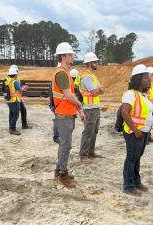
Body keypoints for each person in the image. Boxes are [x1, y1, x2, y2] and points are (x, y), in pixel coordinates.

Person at [52, 42, 85, 188]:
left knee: (64, 145)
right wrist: (80, 106)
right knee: (66, 145)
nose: (73, 57)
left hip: (66, 114)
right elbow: (69, 96)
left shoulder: (64, 73)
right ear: (63, 56)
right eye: (70, 54)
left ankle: (59, 170)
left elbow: (69, 95)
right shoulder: (61, 74)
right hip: (64, 115)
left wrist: (77, 109)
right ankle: (63, 174)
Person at [121, 64, 153, 196]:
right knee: (132, 158)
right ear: (138, 79)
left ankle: (136, 181)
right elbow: (125, 113)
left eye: (149, 77)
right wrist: (135, 130)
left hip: (143, 132)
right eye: (146, 77)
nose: (149, 80)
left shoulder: (143, 95)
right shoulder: (130, 94)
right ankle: (128, 186)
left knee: (137, 157)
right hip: (134, 132)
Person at [79, 52, 104, 160]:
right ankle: (84, 154)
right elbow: (95, 92)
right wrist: (99, 90)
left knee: (94, 131)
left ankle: (91, 152)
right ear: (89, 63)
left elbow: (101, 89)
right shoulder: (86, 77)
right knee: (88, 131)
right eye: (94, 62)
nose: (96, 63)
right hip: (89, 108)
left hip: (95, 107)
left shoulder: (92, 76)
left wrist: (99, 90)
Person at [4, 68, 28, 135]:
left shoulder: (9, 81)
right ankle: (12, 129)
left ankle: (11, 127)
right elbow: (20, 90)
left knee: (11, 114)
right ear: (15, 75)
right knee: (16, 115)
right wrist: (24, 88)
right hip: (15, 100)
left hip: (10, 100)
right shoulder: (15, 82)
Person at [9, 65, 32, 129]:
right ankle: (12, 128)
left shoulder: (13, 79)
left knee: (22, 110)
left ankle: (23, 125)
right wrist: (24, 89)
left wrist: (21, 88)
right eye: (16, 71)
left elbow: (16, 88)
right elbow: (18, 89)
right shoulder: (12, 80)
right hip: (13, 99)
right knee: (14, 114)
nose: (17, 72)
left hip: (16, 98)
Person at [146, 66, 153, 144]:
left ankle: (148, 137)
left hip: (152, 107)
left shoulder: (152, 84)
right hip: (147, 108)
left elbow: (152, 96)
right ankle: (145, 138)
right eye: (152, 75)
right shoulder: (146, 84)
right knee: (146, 123)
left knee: (150, 123)